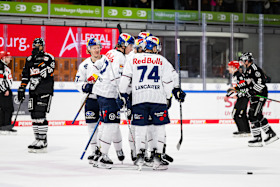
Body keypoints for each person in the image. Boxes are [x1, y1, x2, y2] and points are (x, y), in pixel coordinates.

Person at [118, 36, 178, 170]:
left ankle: (139, 155)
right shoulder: (162, 60)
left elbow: (125, 78)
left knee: (140, 128)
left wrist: (122, 94)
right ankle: (157, 156)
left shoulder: (133, 59)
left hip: (139, 98)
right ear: (155, 47)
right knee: (159, 128)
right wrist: (168, 96)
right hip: (158, 99)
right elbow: (169, 81)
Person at [90, 33, 135, 169]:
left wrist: (92, 81)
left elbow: (97, 66)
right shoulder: (120, 57)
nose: (132, 49)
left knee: (106, 124)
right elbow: (116, 78)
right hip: (109, 94)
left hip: (100, 93)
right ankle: (103, 156)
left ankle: (98, 154)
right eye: (131, 46)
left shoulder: (109, 53)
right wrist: (122, 94)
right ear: (125, 45)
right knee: (111, 124)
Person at [17, 38, 55, 153]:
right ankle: (37, 138)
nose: (37, 47)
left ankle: (43, 140)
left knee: (40, 114)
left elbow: (47, 73)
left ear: (43, 46)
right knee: (33, 115)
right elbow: (25, 75)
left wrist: (40, 61)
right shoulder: (29, 59)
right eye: (35, 45)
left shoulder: (49, 58)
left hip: (44, 90)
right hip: (33, 90)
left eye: (39, 45)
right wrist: (22, 88)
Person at [240, 52, 279, 147]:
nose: (241, 62)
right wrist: (243, 91)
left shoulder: (254, 69)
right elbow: (248, 84)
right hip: (255, 95)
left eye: (242, 60)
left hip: (260, 95)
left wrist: (252, 92)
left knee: (253, 115)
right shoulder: (247, 70)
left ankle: (257, 138)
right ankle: (270, 134)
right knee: (257, 115)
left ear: (247, 60)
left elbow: (261, 84)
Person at [74, 38, 103, 165]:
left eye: (98, 47)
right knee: (92, 126)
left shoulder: (106, 62)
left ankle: (103, 150)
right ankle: (94, 150)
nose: (96, 49)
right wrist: (85, 86)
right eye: (94, 47)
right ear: (89, 50)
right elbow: (78, 82)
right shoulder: (84, 65)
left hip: (104, 99)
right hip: (91, 100)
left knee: (106, 127)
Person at [224, 60, 250, 137]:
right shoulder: (236, 76)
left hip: (243, 98)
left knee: (236, 114)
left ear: (233, 67)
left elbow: (244, 87)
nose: (228, 69)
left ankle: (242, 131)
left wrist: (233, 94)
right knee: (242, 114)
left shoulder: (239, 75)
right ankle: (247, 130)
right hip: (242, 97)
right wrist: (231, 93)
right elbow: (237, 88)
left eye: (229, 67)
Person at [0, 51, 17, 135]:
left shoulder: (4, 66)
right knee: (7, 109)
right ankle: (5, 126)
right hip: (4, 92)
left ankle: (4, 126)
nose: (10, 58)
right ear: (3, 58)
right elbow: (0, 80)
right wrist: (4, 90)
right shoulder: (1, 66)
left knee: (6, 109)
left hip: (5, 90)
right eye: (7, 57)